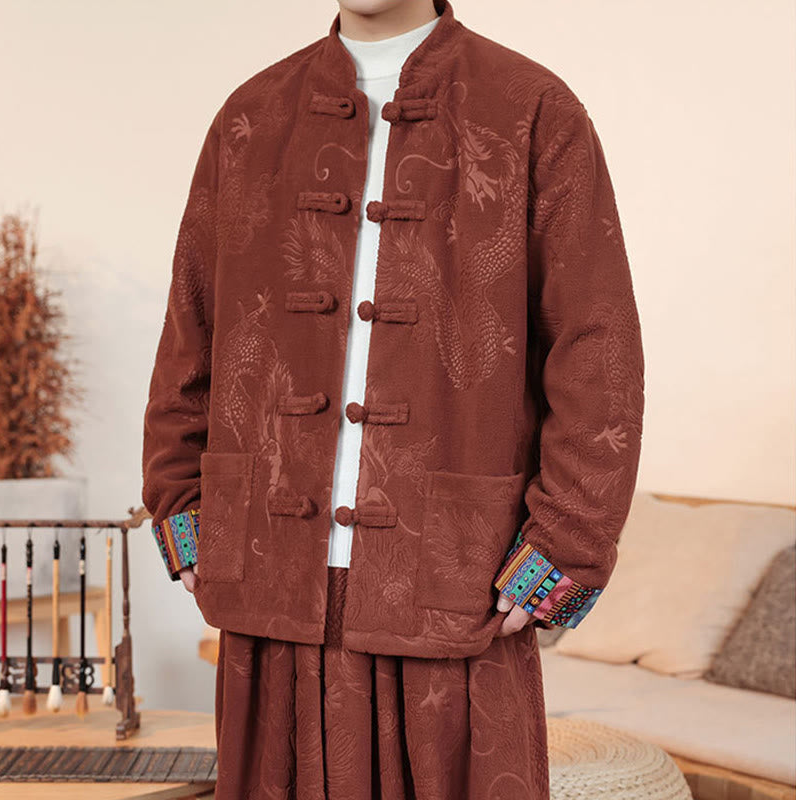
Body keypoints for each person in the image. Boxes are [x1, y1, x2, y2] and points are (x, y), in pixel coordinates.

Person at [142, 0, 645, 797]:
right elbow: (190, 334)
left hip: (456, 580)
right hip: (270, 574)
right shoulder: (250, 116)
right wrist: (183, 513)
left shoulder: (533, 110)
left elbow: (597, 349)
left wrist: (566, 547)